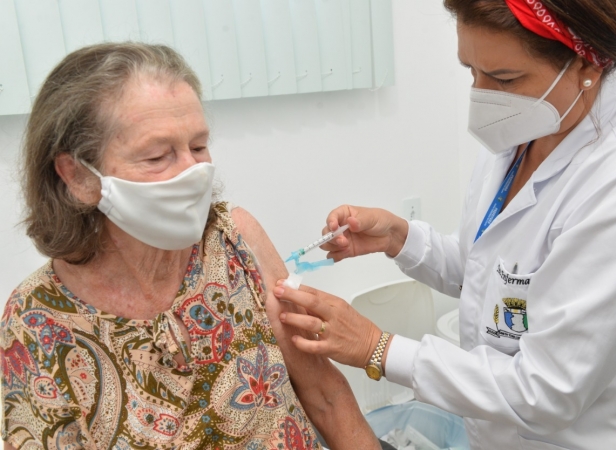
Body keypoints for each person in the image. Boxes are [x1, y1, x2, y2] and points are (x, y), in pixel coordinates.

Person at [273, 0, 616, 448]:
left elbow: (547, 390)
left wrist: (376, 347)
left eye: (504, 79)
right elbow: (493, 273)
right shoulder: (526, 124)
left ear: (586, 63)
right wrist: (400, 238)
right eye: (470, 70)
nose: (483, 96)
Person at [0, 42, 382, 450]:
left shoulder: (235, 239)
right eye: (158, 156)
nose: (195, 171)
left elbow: (327, 397)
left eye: (199, 146)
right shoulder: (35, 321)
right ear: (78, 177)